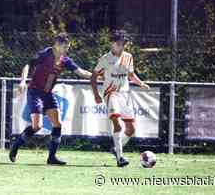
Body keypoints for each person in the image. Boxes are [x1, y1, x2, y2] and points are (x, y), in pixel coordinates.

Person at [9, 33, 92, 165]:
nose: (66, 50)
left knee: (58, 123)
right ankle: (16, 145)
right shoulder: (45, 53)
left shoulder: (65, 60)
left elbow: (81, 72)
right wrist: (23, 81)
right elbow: (28, 64)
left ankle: (51, 158)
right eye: (64, 47)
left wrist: (98, 77)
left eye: (68, 47)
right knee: (37, 126)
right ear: (57, 45)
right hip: (34, 92)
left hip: (48, 94)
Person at [90, 30, 150, 167]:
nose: (122, 46)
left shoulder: (128, 57)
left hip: (125, 95)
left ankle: (116, 148)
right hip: (111, 94)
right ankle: (120, 158)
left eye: (123, 44)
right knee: (117, 123)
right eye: (119, 43)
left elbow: (131, 75)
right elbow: (94, 76)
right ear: (112, 43)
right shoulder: (105, 59)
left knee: (131, 129)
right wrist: (96, 94)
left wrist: (141, 83)